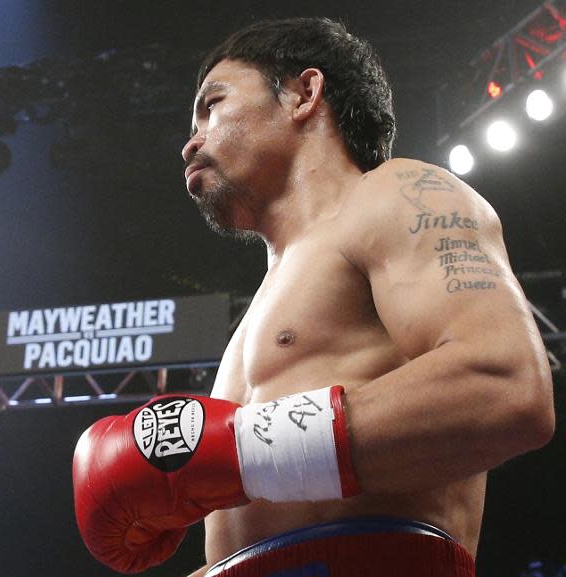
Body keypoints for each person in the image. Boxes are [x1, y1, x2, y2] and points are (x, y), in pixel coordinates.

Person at [72, 17, 555, 577]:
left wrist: (234, 452)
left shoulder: (398, 194)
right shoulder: (260, 311)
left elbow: (506, 387)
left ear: (304, 94)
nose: (190, 142)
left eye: (213, 105)